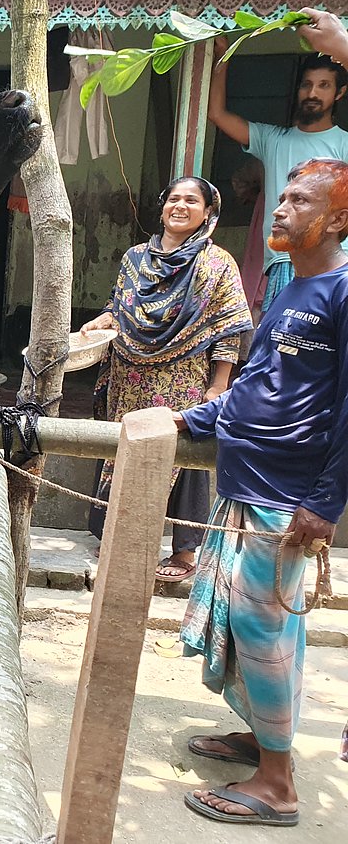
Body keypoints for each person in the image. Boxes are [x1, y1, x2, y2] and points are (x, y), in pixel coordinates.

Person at [176, 158, 348, 827]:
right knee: (266, 628)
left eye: (300, 201)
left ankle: (277, 784)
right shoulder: (288, 286)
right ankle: (260, 735)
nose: (280, 209)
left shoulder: (341, 291)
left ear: (337, 219)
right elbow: (257, 383)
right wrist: (194, 417)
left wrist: (325, 504)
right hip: (249, 482)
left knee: (261, 624)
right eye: (282, 197)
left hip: (289, 493)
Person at [81, 177, 253, 582]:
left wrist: (218, 386)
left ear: (208, 211)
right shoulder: (135, 257)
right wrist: (106, 318)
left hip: (184, 377)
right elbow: (119, 304)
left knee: (184, 452)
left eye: (191, 200)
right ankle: (117, 535)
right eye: (173, 198)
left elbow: (228, 328)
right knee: (122, 447)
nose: (180, 206)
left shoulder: (217, 264)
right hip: (129, 373)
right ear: (162, 208)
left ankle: (186, 550)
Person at [208, 36, 348, 312]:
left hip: (334, 262)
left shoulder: (344, 143)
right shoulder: (272, 139)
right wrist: (222, 57)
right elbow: (216, 114)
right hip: (283, 260)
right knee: (280, 344)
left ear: (339, 93)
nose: (312, 93)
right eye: (306, 85)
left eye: (323, 86)